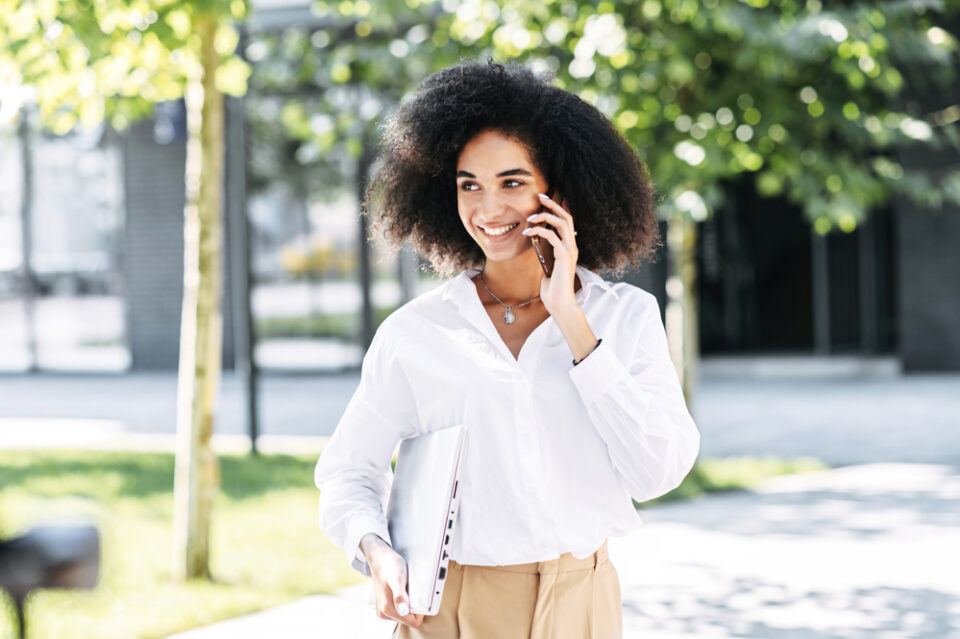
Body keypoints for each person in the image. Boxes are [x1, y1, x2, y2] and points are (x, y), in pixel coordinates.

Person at [313, 60, 700, 638]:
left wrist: (571, 319)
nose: (488, 210)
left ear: (559, 193)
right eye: (470, 184)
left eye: (512, 182)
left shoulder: (624, 319)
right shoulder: (415, 333)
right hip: (450, 610)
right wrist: (376, 550)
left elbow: (657, 471)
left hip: (582, 604)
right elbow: (348, 471)